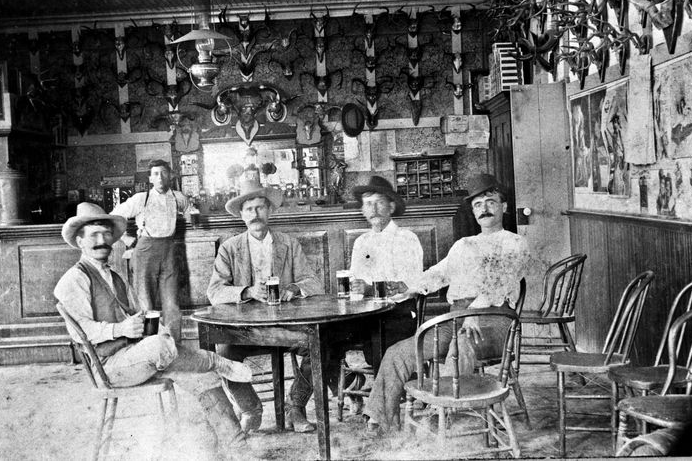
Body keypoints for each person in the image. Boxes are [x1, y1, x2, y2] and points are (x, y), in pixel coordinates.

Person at [54, 202, 254, 453]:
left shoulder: (114, 275)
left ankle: (238, 447)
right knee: (160, 347)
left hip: (136, 356)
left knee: (199, 373)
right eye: (94, 234)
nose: (102, 240)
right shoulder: (74, 279)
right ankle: (214, 360)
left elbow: (139, 314)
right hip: (109, 367)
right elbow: (80, 332)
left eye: (106, 234)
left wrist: (158, 329)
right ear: (80, 241)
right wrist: (122, 330)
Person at [361, 174, 532, 434]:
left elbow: (500, 282)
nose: (484, 209)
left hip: (494, 321)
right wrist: (409, 290)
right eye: (478, 205)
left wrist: (475, 311)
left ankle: (444, 409)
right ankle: (379, 418)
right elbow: (439, 273)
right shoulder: (464, 245)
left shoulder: (515, 243)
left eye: (490, 202)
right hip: (456, 318)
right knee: (401, 351)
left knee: (460, 342)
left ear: (504, 207)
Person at [207, 178, 329, 434]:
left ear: (270, 211)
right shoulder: (229, 248)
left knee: (318, 344)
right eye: (249, 209)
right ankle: (251, 408)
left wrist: (294, 288)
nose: (255, 214)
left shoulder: (288, 243)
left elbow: (314, 282)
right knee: (224, 353)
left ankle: (295, 405)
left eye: (261, 208)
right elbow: (214, 292)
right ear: (241, 215)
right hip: (245, 331)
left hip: (286, 328)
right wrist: (246, 291)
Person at [347, 176, 424, 410]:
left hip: (398, 311)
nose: (373, 209)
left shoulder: (406, 239)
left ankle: (386, 401)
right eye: (367, 204)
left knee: (381, 342)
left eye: (379, 202)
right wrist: (357, 287)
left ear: (391, 206)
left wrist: (372, 288)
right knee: (326, 339)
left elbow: (410, 285)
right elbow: (355, 279)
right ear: (362, 210)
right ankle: (354, 384)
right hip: (365, 312)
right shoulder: (361, 242)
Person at [111, 159, 190, 342]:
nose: (160, 178)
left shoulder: (179, 198)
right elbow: (114, 216)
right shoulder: (142, 198)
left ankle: (173, 346)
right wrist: (125, 238)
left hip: (170, 251)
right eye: (155, 174)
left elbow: (190, 212)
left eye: (163, 173)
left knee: (172, 304)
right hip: (145, 251)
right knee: (146, 304)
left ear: (170, 175)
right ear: (150, 178)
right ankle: (149, 346)